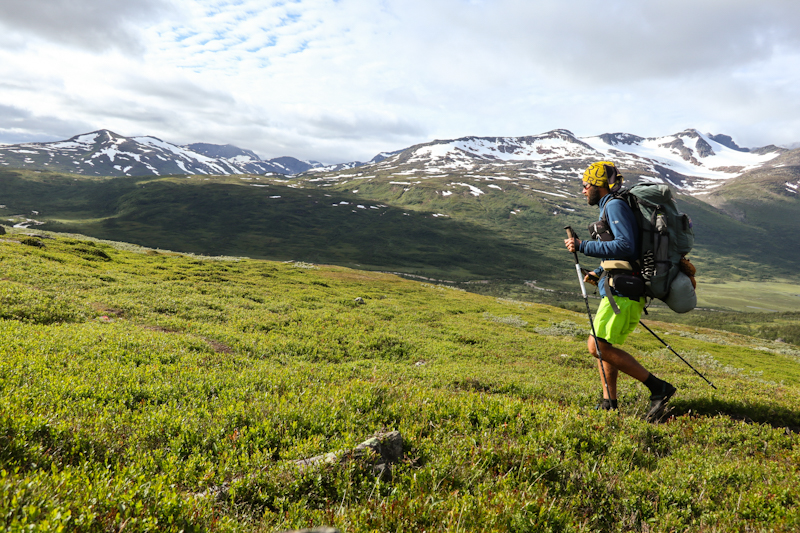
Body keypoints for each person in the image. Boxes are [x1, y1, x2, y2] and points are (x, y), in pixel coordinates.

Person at [564, 161, 676, 422]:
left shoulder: (614, 205)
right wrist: (598, 272)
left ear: (598, 186)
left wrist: (582, 245)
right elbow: (624, 251)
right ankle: (608, 402)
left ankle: (659, 388)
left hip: (624, 291)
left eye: (585, 185)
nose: (583, 191)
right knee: (604, 344)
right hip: (618, 287)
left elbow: (625, 245)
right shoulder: (612, 205)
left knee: (597, 346)